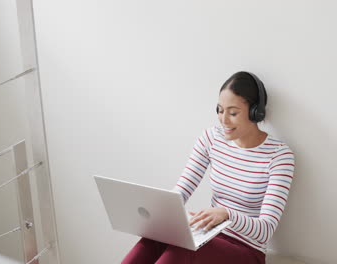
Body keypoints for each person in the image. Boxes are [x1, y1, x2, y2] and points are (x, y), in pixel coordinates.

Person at [121, 71, 295, 264]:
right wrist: (159, 214)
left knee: (181, 251)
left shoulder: (279, 156)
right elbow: (180, 192)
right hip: (208, 235)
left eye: (233, 113)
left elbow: (265, 230)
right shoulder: (211, 139)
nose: (224, 120)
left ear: (256, 112)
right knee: (152, 241)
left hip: (247, 250)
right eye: (220, 110)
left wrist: (227, 214)